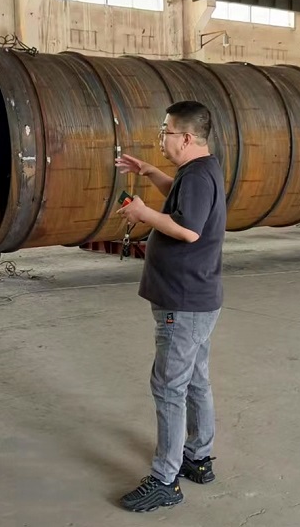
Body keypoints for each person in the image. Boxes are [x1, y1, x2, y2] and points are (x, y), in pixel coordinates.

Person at [115, 100, 226, 513]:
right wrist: (150, 172)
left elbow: (188, 229)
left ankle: (165, 480)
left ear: (187, 137)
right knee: (195, 380)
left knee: (168, 387)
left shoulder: (196, 176)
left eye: (166, 131)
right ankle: (198, 457)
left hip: (183, 301)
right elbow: (184, 205)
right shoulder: (200, 170)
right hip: (197, 297)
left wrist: (143, 213)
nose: (161, 138)